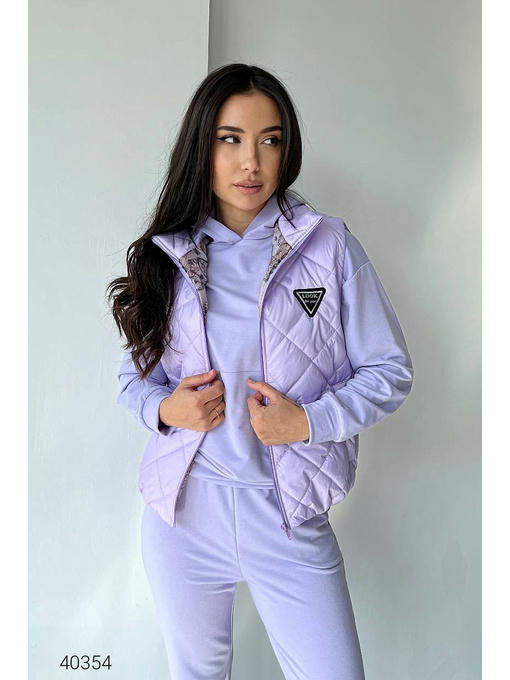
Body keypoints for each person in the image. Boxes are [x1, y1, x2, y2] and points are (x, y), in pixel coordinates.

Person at [107, 63, 413, 680]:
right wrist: (166, 409)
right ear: (203, 147)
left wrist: (308, 421)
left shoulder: (328, 246)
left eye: (269, 141)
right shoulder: (168, 255)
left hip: (287, 516)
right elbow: (131, 379)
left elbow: (389, 370)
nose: (252, 163)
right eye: (231, 140)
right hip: (183, 520)